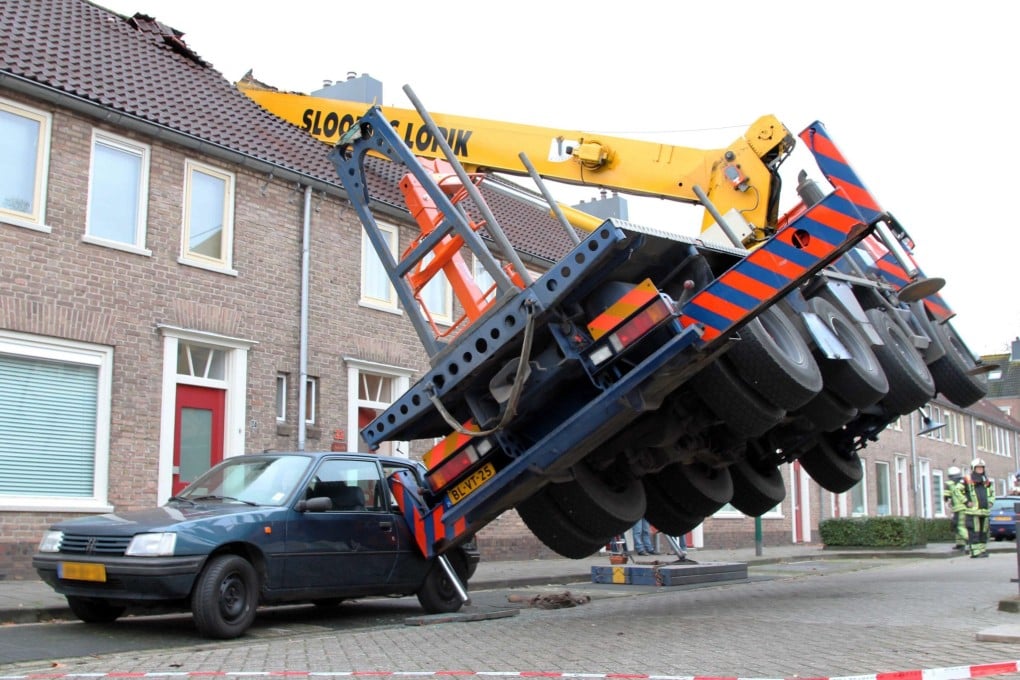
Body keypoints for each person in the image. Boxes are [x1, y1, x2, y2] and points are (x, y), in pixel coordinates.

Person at [962, 457, 995, 558]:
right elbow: (958, 492)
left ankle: (982, 550)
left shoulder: (986, 480)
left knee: (983, 532)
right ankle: (975, 552)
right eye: (978, 468)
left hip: (984, 511)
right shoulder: (967, 479)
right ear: (973, 468)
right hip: (973, 512)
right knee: (974, 532)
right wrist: (966, 501)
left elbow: (991, 492)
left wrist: (990, 501)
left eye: (981, 468)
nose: (980, 470)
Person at [944, 466, 967, 551]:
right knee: (959, 526)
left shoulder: (949, 484)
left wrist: (946, 503)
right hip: (965, 507)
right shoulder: (964, 482)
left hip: (958, 508)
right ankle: (960, 544)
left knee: (959, 526)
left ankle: (971, 540)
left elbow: (946, 496)